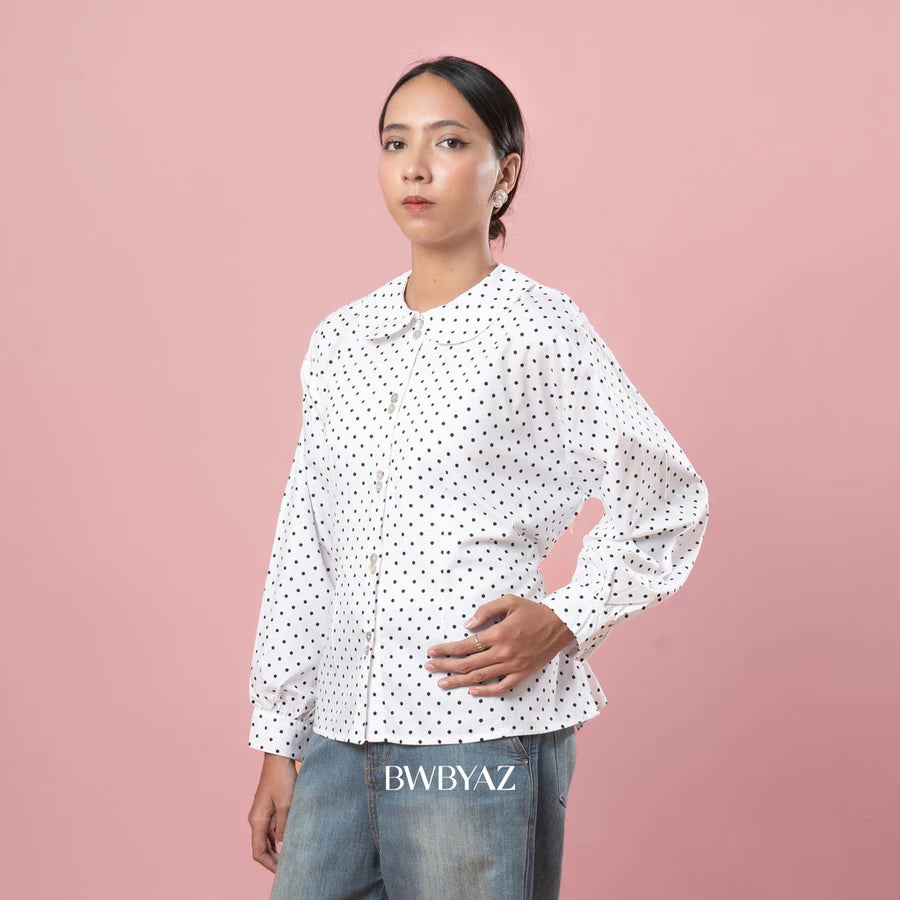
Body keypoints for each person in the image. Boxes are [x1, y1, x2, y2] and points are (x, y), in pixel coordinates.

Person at [246, 55, 710, 900]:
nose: (415, 168)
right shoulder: (342, 341)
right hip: (338, 735)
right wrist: (281, 738)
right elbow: (306, 544)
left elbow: (668, 502)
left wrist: (566, 618)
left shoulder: (540, 330)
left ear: (506, 173)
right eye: (396, 143)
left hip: (473, 731)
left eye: (450, 142)